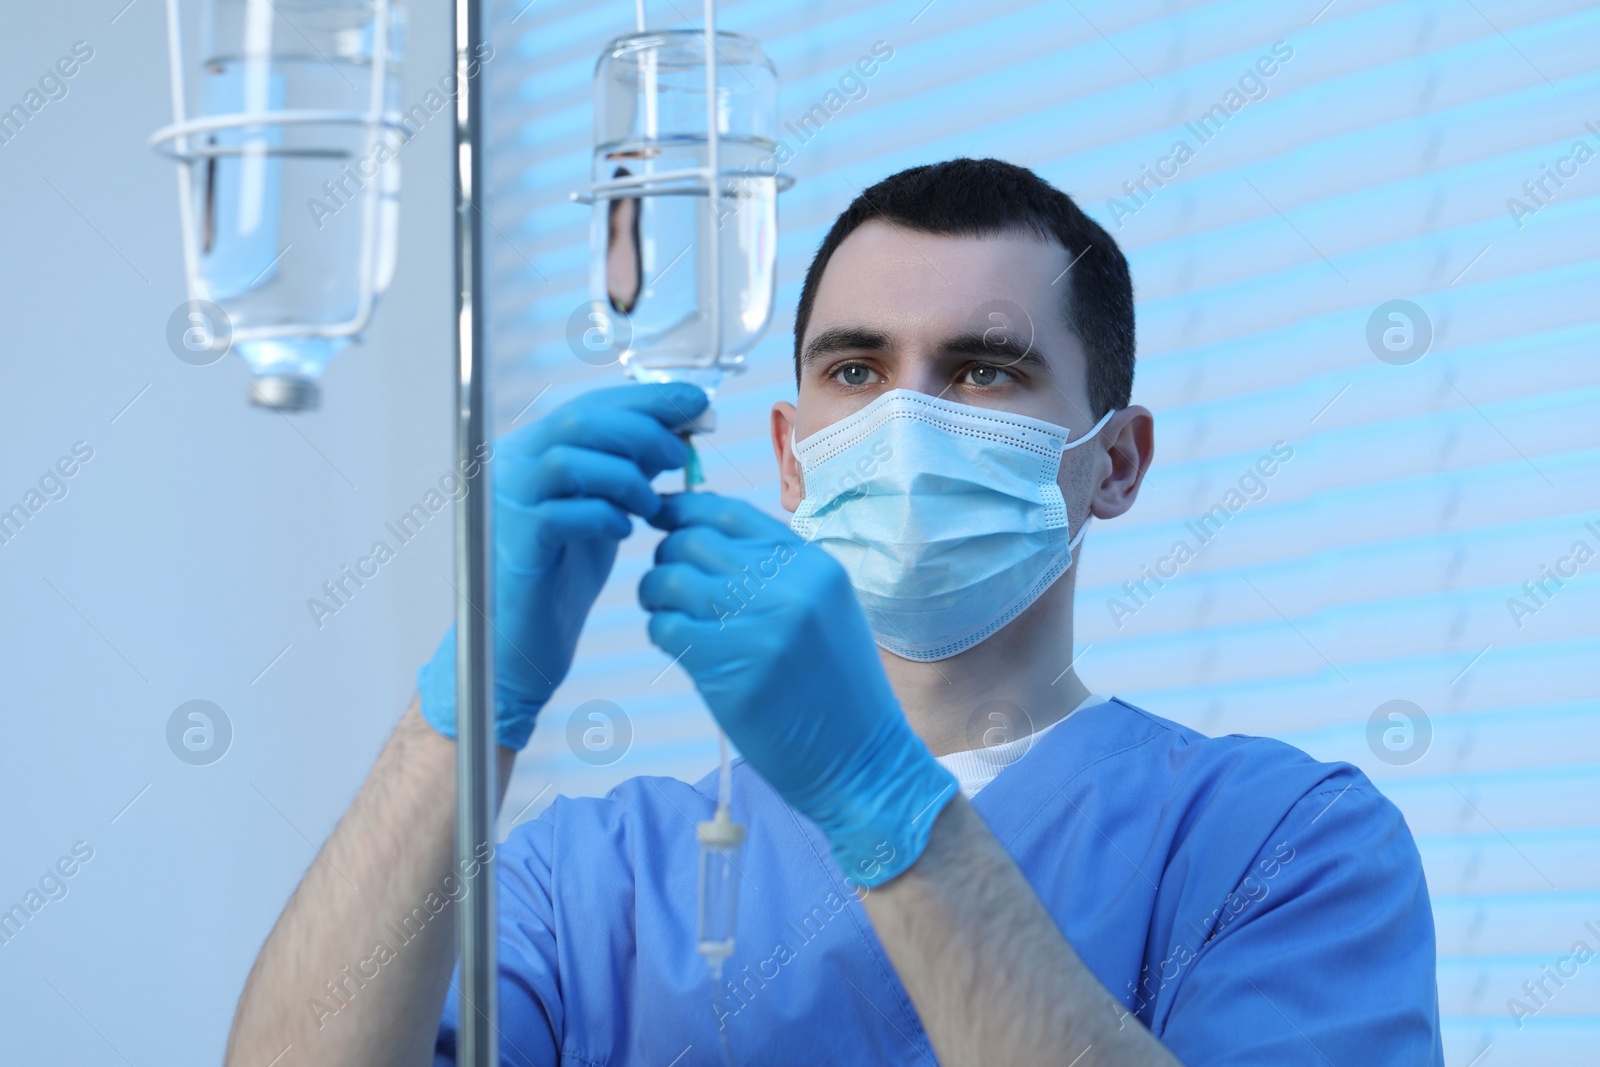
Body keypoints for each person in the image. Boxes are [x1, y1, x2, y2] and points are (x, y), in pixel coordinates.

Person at [224, 158, 1443, 1066]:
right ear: (792, 457)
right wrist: (466, 705)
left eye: (982, 369)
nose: (903, 422)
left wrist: (880, 799)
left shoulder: (1281, 846)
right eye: (854, 371)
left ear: (1115, 462)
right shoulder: (589, 879)